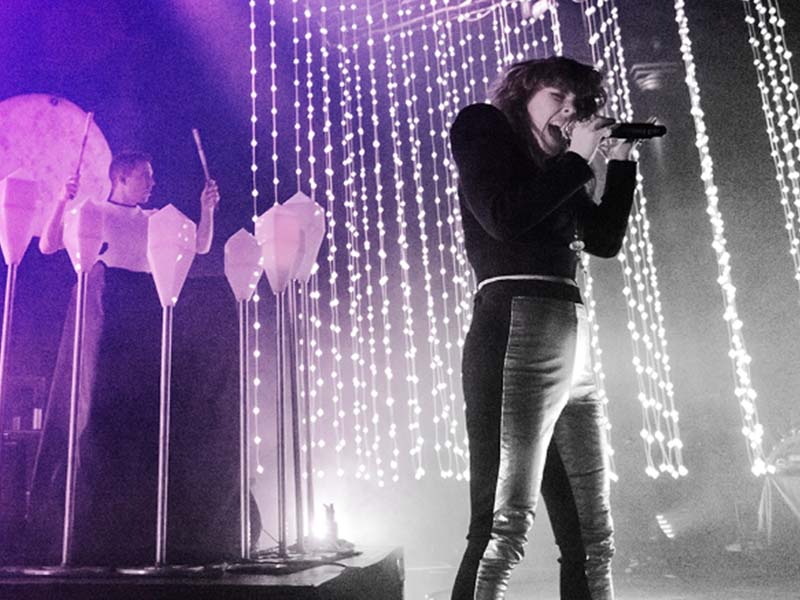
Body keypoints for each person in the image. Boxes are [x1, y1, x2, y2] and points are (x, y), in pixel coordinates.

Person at [449, 56, 639, 599]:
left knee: (591, 530)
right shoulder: (483, 126)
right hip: (514, 322)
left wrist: (619, 162)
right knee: (501, 526)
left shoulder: (557, 165)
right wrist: (578, 158)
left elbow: (602, 241)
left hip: (568, 330)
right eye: (557, 98)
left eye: (578, 105)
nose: (568, 112)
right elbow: (503, 218)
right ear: (524, 94)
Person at [28, 151, 219, 565]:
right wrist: (63, 199)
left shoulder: (155, 219)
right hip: (104, 304)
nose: (151, 183)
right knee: (95, 407)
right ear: (121, 178)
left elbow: (201, 247)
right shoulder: (92, 209)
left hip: (144, 311)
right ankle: (83, 515)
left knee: (141, 411)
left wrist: (207, 210)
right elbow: (47, 244)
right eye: (145, 177)